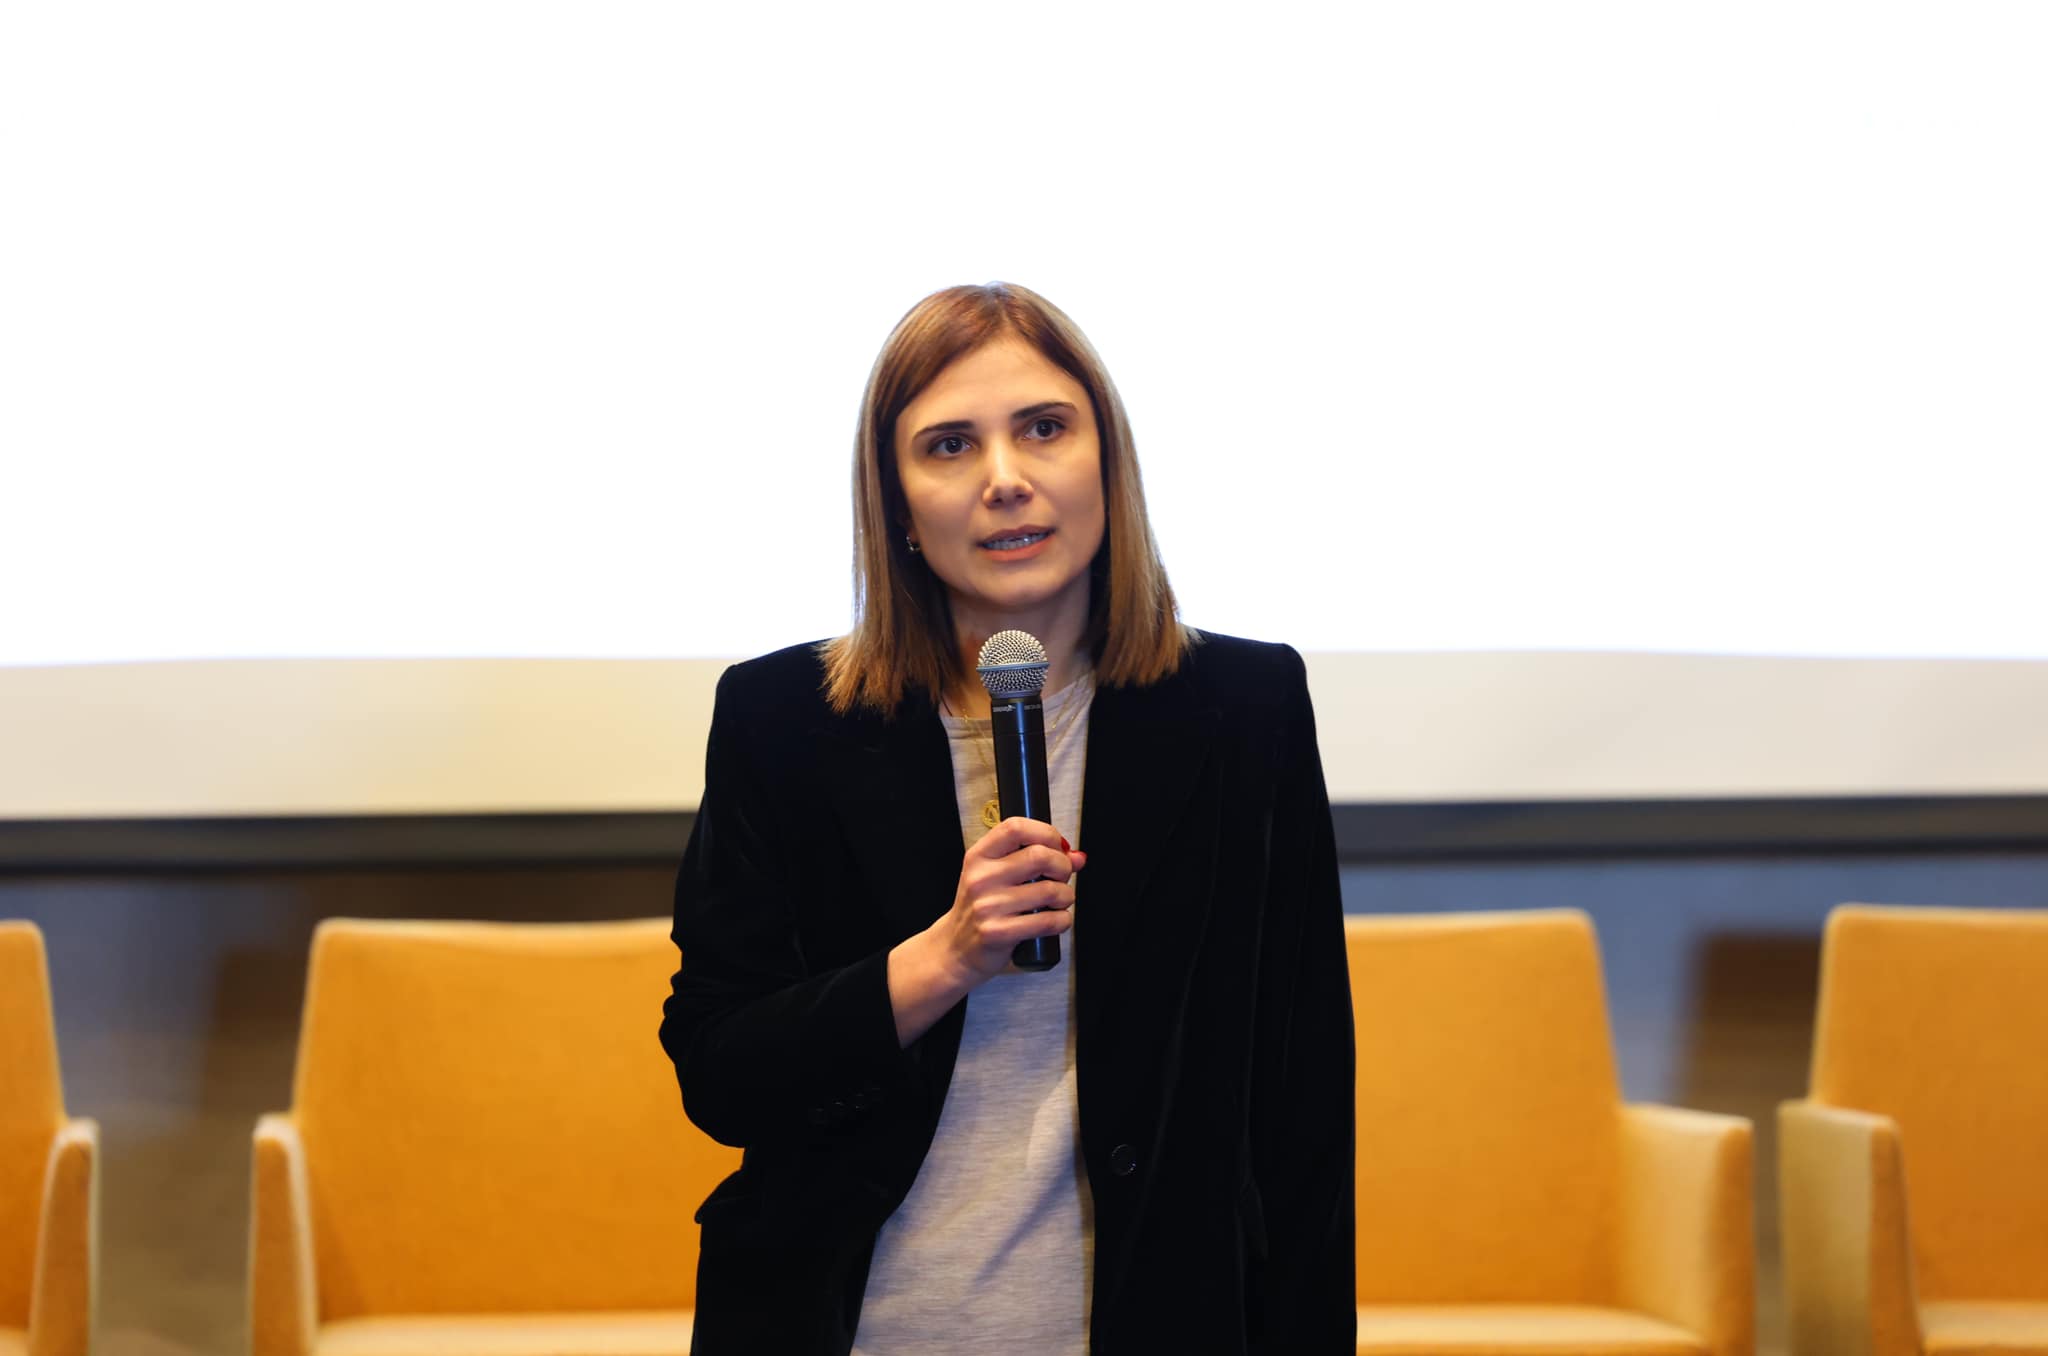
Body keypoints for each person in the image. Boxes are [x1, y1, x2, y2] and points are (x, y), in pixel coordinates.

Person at [659, 282, 1353, 1354]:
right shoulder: (782, 720)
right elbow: (720, 1073)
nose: (1004, 478)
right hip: (861, 1325)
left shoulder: (1243, 709)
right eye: (949, 445)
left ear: (1106, 461)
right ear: (895, 504)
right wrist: (942, 958)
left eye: (1043, 428)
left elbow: (1301, 1098)